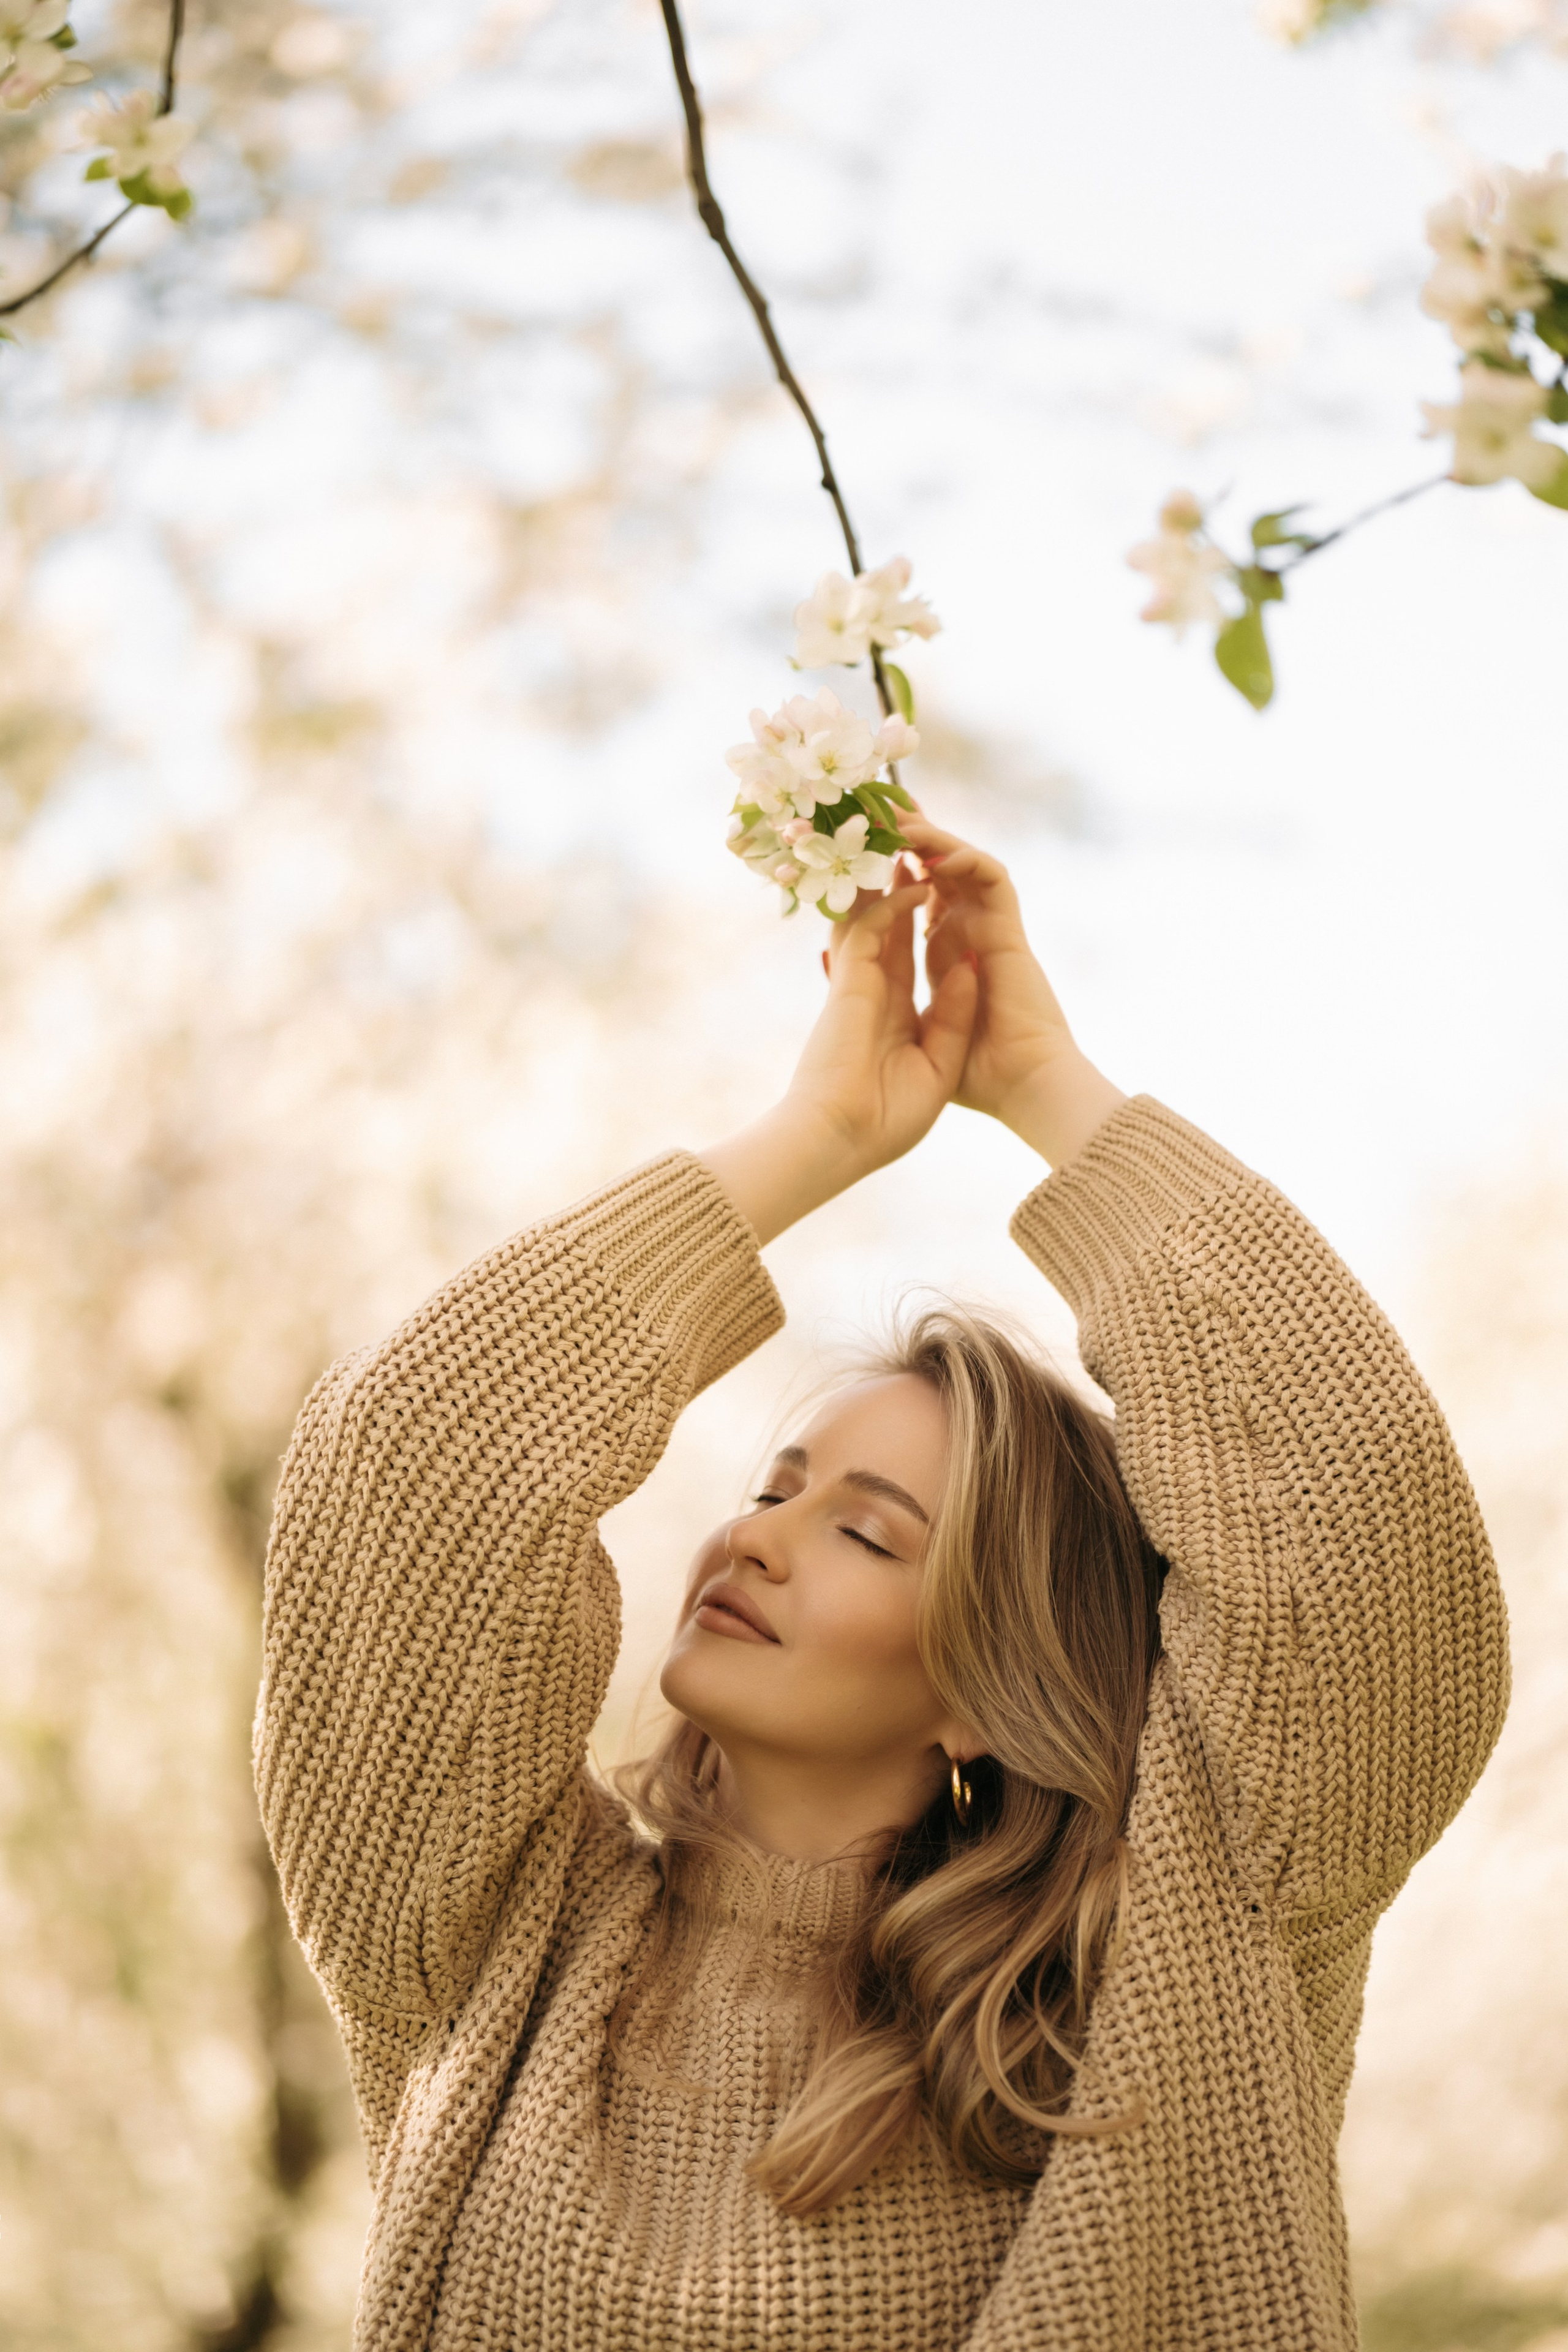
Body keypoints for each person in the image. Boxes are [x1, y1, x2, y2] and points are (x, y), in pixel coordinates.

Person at [257, 818, 1509, 2352]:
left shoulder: (1180, 1953)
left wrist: (1050, 1091)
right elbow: (408, 1468)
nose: (755, 1538)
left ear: (993, 1687)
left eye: (864, 1532)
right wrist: (815, 1133)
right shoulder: (500, 1936)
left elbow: (1352, 1536)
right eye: (774, 1487)